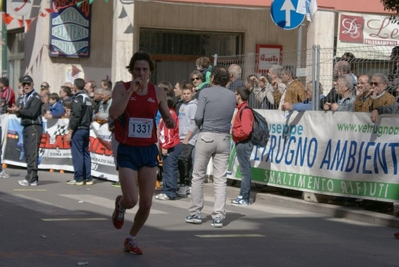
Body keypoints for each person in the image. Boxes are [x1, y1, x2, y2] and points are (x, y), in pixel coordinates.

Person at [109, 51, 175, 255]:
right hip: (127, 149)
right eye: (137, 69)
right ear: (131, 71)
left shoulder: (157, 92)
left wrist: (170, 121)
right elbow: (114, 112)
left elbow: (166, 117)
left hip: (148, 150)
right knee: (131, 200)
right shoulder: (122, 88)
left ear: (151, 71)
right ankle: (120, 205)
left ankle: (131, 238)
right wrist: (131, 93)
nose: (141, 73)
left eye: (145, 69)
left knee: (146, 203)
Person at [185, 65, 236, 228]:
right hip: (223, 137)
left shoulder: (205, 92)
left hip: (206, 134)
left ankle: (195, 213)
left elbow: (198, 116)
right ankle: (219, 216)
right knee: (220, 178)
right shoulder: (231, 95)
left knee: (198, 175)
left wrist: (201, 126)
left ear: (212, 78)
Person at [8, 76, 43, 186]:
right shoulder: (24, 97)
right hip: (26, 126)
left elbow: (32, 113)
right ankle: (33, 178)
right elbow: (21, 114)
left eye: (28, 84)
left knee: (32, 152)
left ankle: (31, 178)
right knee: (28, 153)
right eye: (24, 84)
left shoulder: (36, 97)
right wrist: (16, 111)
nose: (26, 86)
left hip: (34, 126)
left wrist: (20, 110)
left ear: (33, 84)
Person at [65, 78, 93, 186]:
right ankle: (88, 177)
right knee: (86, 153)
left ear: (75, 87)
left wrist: (70, 131)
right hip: (86, 128)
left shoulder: (78, 99)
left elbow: (76, 116)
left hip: (79, 129)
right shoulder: (88, 99)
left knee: (77, 154)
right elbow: (90, 115)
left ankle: (79, 178)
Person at [154, 94, 181, 200]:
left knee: (170, 169)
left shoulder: (169, 114)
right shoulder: (167, 113)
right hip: (168, 145)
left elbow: (169, 131)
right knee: (166, 168)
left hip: (171, 146)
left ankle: (170, 192)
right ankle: (165, 190)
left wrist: (166, 146)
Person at [231, 86, 254, 206]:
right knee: (245, 170)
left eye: (235, 94)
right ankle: (244, 196)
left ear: (239, 95)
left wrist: (234, 133)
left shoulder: (245, 110)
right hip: (241, 143)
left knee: (245, 171)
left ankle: (244, 197)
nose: (234, 96)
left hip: (243, 143)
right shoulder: (241, 109)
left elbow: (246, 131)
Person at [177, 82, 198, 197]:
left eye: (188, 93)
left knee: (184, 160)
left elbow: (194, 123)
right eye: (184, 93)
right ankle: (184, 184)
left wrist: (187, 138)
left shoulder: (194, 106)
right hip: (180, 137)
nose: (186, 95)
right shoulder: (182, 105)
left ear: (192, 93)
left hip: (188, 138)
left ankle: (185, 184)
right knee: (182, 161)